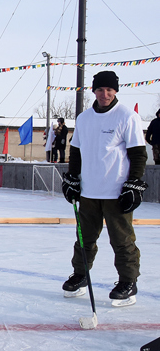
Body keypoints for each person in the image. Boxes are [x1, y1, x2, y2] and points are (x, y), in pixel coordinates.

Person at [60, 71, 147, 306]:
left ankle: (128, 282)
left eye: (109, 90)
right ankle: (80, 275)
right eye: (100, 90)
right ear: (94, 91)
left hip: (115, 192)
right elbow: (76, 151)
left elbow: (138, 154)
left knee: (122, 240)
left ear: (116, 91)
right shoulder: (84, 118)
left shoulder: (127, 116)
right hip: (89, 191)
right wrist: (72, 178)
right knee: (84, 239)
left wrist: (133, 184)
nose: (105, 94)